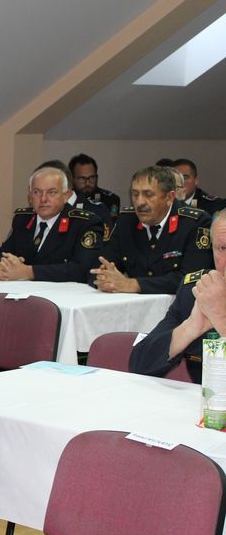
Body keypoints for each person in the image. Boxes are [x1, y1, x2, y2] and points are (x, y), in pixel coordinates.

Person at [130, 212, 226, 383]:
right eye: (222, 248)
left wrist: (221, 320)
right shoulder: (195, 290)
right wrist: (191, 327)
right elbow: (139, 364)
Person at [91, 166, 211, 294]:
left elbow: (192, 279)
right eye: (135, 194)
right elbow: (98, 267)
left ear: (169, 197)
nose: (139, 202)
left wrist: (133, 284)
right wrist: (104, 278)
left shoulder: (195, 223)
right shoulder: (127, 221)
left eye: (148, 195)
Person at [0, 164, 103, 282]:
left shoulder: (84, 223)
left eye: (52, 192)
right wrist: (5, 266)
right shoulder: (22, 219)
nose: (43, 199)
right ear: (30, 196)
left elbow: (84, 269)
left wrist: (29, 272)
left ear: (66, 196)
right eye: (37, 192)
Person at [69, 153, 121, 220]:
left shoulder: (110, 199)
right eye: (82, 179)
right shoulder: (64, 200)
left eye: (92, 178)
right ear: (71, 179)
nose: (87, 183)